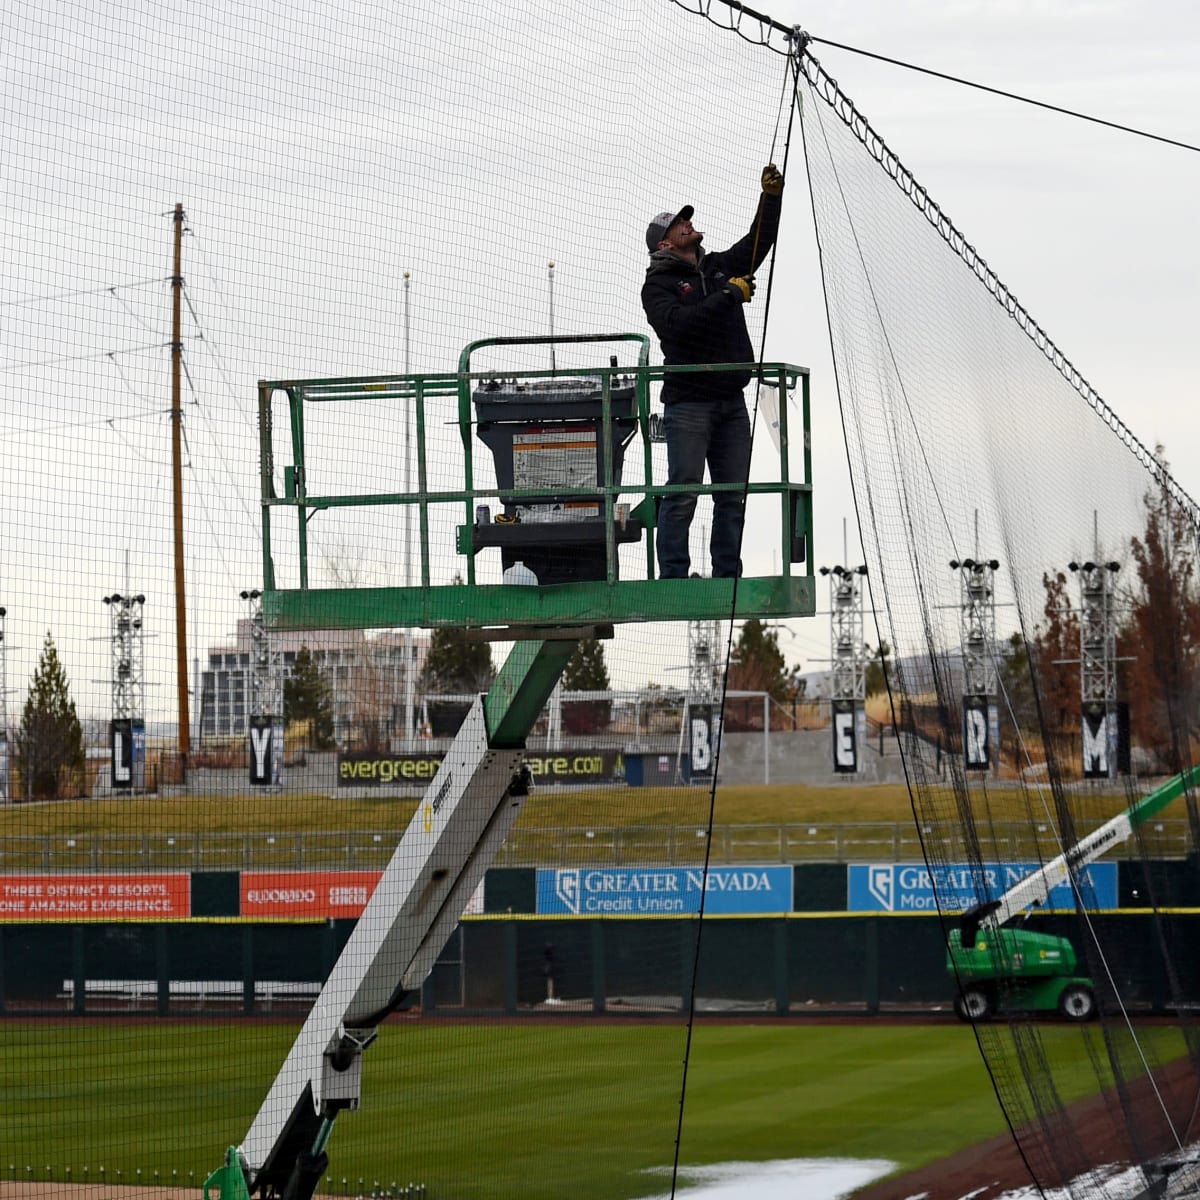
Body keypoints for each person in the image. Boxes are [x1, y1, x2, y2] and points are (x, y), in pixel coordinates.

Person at [641, 164, 784, 579]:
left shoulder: (717, 265)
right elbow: (678, 327)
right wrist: (728, 294)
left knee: (731, 494)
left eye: (687, 219)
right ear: (665, 243)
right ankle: (672, 575)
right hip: (689, 404)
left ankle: (727, 573)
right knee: (683, 492)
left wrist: (770, 199)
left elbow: (759, 243)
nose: (688, 224)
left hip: (731, 399)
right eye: (679, 224)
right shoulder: (658, 287)